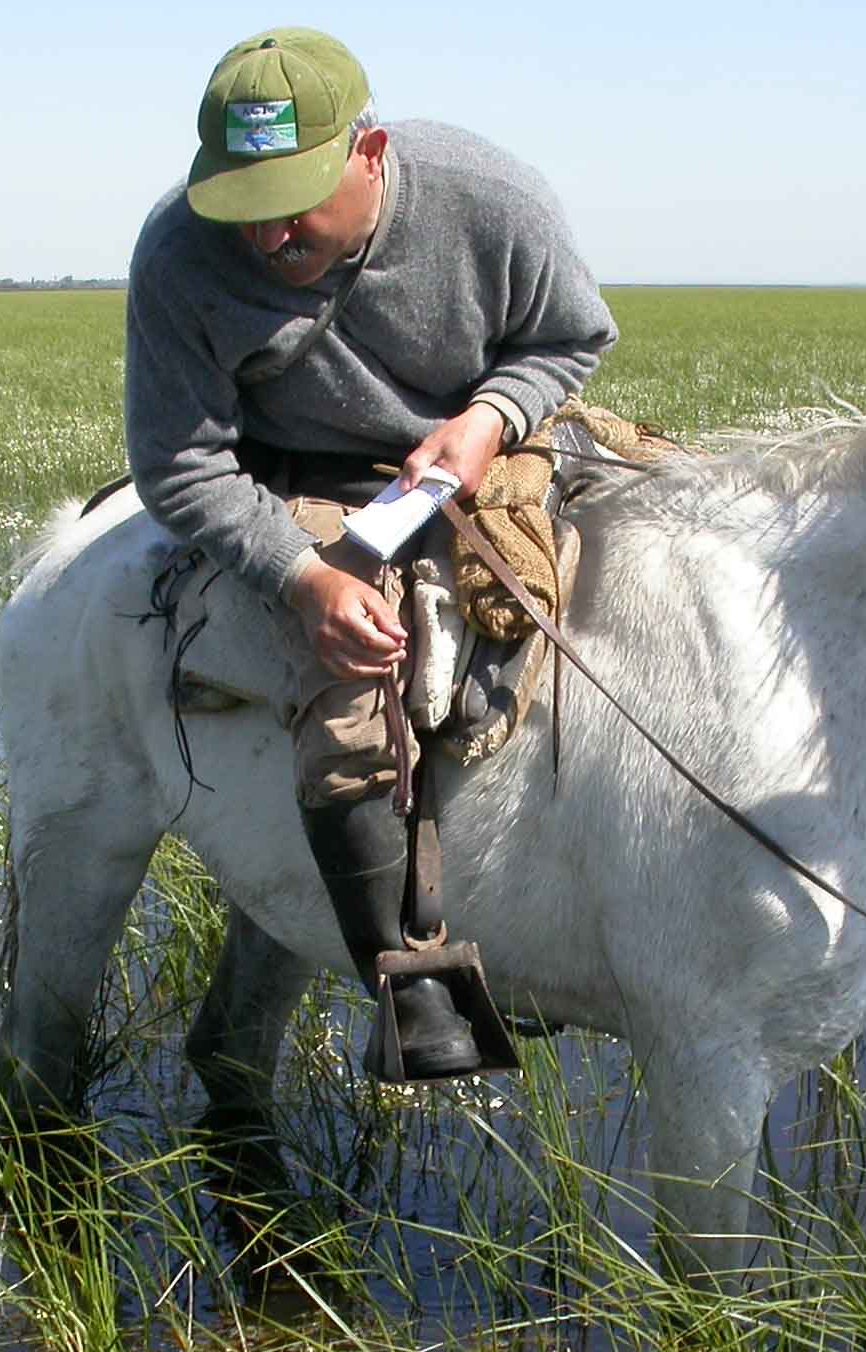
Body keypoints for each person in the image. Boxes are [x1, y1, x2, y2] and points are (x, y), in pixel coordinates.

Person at [124, 26, 616, 1079]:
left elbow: (570, 339)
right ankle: (412, 985)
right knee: (352, 691)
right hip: (306, 482)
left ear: (372, 150)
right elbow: (180, 466)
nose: (270, 235)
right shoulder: (178, 252)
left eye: (298, 198)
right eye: (244, 206)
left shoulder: (490, 197)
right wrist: (303, 580)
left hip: (480, 444)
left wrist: (487, 420)